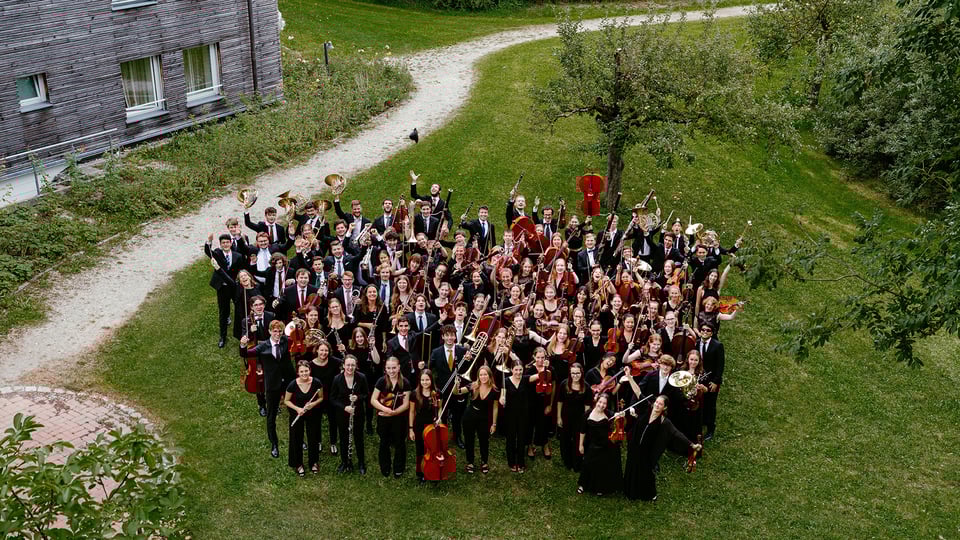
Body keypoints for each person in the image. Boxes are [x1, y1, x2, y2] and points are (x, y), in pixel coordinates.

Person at [622, 395, 702, 501]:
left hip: (647, 451)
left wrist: (692, 445)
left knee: (645, 472)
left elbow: (677, 434)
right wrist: (629, 378)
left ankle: (648, 495)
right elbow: (638, 392)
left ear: (664, 407)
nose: (657, 405)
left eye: (660, 404)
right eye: (656, 402)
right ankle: (629, 490)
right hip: (635, 446)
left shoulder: (664, 422)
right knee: (632, 466)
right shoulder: (647, 409)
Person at [240, 320, 295, 458]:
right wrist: (242, 345)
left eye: (280, 331)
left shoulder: (285, 341)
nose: (277, 334)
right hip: (272, 384)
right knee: (271, 416)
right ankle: (274, 443)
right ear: (270, 331)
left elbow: (298, 338)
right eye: (275, 331)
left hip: (288, 382)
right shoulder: (262, 346)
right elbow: (246, 354)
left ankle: (298, 441)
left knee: (294, 411)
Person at [370, 357, 411, 478]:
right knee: (384, 443)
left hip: (399, 418)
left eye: (394, 368)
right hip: (383, 418)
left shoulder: (405, 383)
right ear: (385, 369)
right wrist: (386, 410)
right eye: (389, 368)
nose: (391, 370)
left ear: (399, 368)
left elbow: (406, 404)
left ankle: (398, 468)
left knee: (400, 443)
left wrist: (394, 412)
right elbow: (373, 400)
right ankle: (385, 467)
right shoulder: (381, 381)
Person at [577, 393, 623, 495]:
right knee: (588, 464)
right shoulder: (587, 414)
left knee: (603, 467)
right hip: (592, 444)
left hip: (606, 444)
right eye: (600, 402)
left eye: (604, 403)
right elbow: (582, 431)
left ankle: (600, 487)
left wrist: (619, 416)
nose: (601, 405)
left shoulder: (609, 414)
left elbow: (619, 423)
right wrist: (580, 445)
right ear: (596, 402)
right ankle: (583, 484)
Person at [330, 355, 369, 474]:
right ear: (343, 365)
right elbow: (332, 398)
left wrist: (358, 397)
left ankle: (361, 463)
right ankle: (345, 462)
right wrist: (344, 407)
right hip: (342, 414)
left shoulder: (361, 377)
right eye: (348, 365)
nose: (350, 367)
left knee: (358, 437)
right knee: (343, 438)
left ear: (356, 365)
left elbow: (366, 394)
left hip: (358, 413)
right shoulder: (337, 379)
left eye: (353, 365)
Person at [284, 360, 324, 476]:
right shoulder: (292, 385)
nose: (304, 374)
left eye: (306, 371)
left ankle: (313, 462)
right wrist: (297, 409)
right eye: (302, 371)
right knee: (296, 438)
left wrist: (313, 404)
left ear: (310, 371)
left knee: (313, 438)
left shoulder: (317, 383)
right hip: (297, 414)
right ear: (298, 372)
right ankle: (298, 464)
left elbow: (321, 398)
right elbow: (286, 401)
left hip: (312, 413)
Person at [206, 232, 244, 347]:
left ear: (231, 243)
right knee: (223, 312)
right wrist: (209, 242)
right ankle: (222, 336)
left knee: (239, 308)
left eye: (228, 242)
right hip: (222, 287)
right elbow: (208, 252)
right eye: (223, 243)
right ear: (221, 244)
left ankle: (241, 333)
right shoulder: (217, 253)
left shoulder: (238, 256)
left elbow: (240, 270)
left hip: (233, 286)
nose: (226, 244)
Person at [556, 362, 592, 471]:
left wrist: (585, 423)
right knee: (565, 440)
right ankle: (567, 461)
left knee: (577, 440)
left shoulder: (586, 387)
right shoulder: (564, 384)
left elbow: (587, 408)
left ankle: (577, 463)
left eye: (577, 373)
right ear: (570, 373)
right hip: (566, 416)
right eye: (573, 373)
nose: (575, 376)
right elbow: (560, 401)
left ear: (581, 373)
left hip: (579, 419)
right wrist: (559, 417)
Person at [462, 365, 498, 474]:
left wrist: (494, 424)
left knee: (484, 440)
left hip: (484, 417)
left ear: (489, 376)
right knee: (469, 439)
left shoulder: (495, 390)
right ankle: (470, 462)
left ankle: (484, 461)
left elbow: (495, 408)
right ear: (478, 376)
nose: (483, 377)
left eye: (485, 374)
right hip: (470, 415)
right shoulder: (473, 386)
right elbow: (457, 392)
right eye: (481, 374)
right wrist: (456, 385)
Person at [408, 368, 441, 482]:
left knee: (433, 450)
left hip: (432, 426)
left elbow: (440, 408)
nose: (425, 382)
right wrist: (411, 428)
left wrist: (439, 418)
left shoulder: (437, 393)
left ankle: (433, 471)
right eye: (422, 380)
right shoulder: (414, 394)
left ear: (431, 380)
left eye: (427, 380)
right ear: (419, 381)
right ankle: (421, 472)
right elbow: (412, 412)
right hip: (419, 425)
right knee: (420, 450)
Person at [309, 341, 341, 456]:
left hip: (332, 396)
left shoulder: (335, 362)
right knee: (316, 420)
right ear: (317, 350)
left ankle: (333, 443)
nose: (324, 353)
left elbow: (346, 361)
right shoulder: (311, 365)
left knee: (333, 420)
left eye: (326, 350)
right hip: (318, 397)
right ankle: (318, 442)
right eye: (321, 350)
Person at [695, 322, 724, 441]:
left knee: (710, 405)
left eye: (708, 330)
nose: (705, 332)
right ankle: (702, 422)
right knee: (701, 402)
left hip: (712, 380)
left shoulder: (717, 345)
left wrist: (716, 381)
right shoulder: (697, 343)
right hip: (701, 378)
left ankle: (711, 429)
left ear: (712, 333)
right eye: (703, 330)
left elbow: (720, 365)